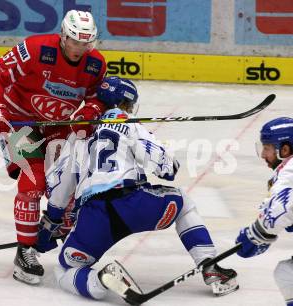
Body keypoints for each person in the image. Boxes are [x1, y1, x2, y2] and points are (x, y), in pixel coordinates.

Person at [38, 76, 239, 303]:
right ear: (125, 103)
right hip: (135, 204)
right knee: (183, 202)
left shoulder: (78, 134)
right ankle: (209, 266)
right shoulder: (129, 122)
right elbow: (166, 169)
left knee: (66, 268)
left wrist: (51, 224)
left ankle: (99, 282)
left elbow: (61, 185)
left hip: (93, 216)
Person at [0, 10, 107, 285]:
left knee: (68, 181)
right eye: (75, 41)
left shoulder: (96, 64)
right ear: (64, 36)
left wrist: (92, 112)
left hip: (58, 126)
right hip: (19, 123)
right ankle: (25, 250)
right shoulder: (35, 48)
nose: (80, 49)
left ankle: (60, 230)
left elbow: (98, 99)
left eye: (86, 43)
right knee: (34, 180)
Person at [236, 117, 293, 306]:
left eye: (267, 147)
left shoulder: (289, 172)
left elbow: (279, 213)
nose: (262, 154)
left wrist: (254, 235)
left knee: (288, 274)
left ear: (284, 150)